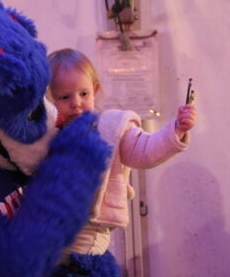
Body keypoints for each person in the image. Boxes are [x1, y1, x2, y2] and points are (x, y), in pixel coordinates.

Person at [46, 48, 197, 270]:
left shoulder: (109, 127)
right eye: (65, 97)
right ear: (49, 98)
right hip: (49, 242)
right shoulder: (46, 135)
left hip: (88, 241)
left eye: (84, 94)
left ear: (95, 90)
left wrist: (177, 129)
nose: (76, 103)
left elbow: (146, 150)